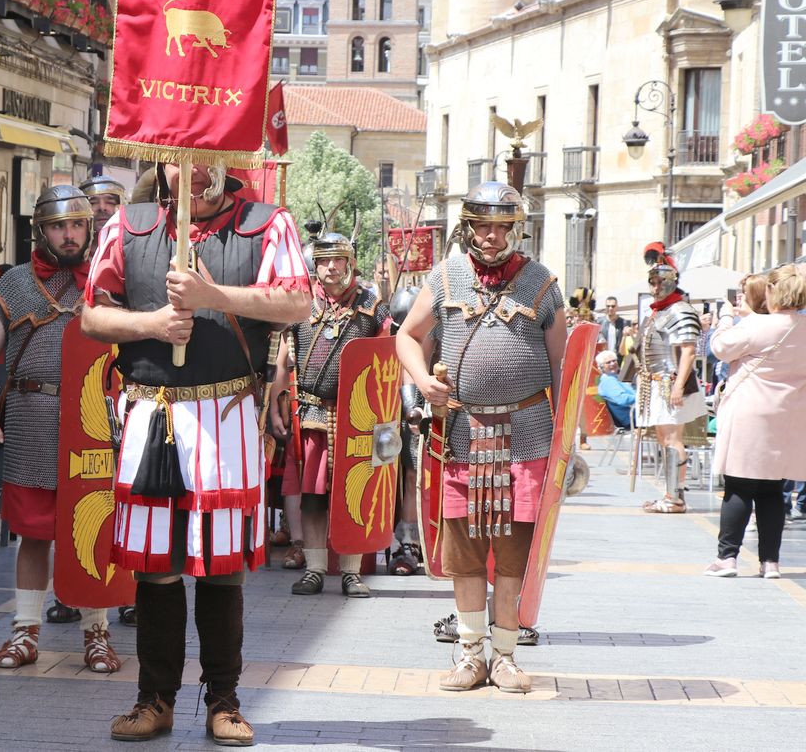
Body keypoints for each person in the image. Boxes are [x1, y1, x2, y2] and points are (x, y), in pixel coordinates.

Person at [82, 161, 310, 744]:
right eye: (182, 160)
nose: (197, 171)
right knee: (156, 566)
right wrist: (152, 323)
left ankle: (224, 701)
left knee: (223, 565)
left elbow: (297, 303)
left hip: (226, 416)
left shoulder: (267, 224)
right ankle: (154, 699)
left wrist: (214, 295)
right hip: (150, 411)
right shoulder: (127, 227)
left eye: (209, 158)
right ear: (160, 164)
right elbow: (91, 314)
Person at [397, 181, 565, 695]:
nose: (491, 238)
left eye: (502, 227)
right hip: (461, 435)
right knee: (465, 551)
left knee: (513, 551)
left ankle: (507, 656)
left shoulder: (541, 284)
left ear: (517, 229)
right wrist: (423, 381)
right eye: (482, 226)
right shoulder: (445, 277)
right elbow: (406, 335)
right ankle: (471, 653)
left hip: (526, 436)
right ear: (467, 228)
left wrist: (565, 440)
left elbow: (563, 366)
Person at [0, 186, 120, 674]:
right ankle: (25, 631)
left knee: (93, 531)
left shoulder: (107, 279)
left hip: (93, 422)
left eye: (77, 225)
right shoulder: (13, 284)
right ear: (41, 231)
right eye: (59, 226)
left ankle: (97, 634)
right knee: (33, 534)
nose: (70, 234)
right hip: (32, 416)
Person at [270, 232, 391, 598]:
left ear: (350, 262)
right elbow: (283, 356)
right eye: (324, 260)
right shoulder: (302, 305)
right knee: (313, 496)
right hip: (312, 415)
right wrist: (275, 401)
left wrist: (392, 417)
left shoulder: (372, 307)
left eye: (338, 259)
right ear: (315, 264)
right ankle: (315, 568)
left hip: (359, 419)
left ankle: (352, 571)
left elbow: (389, 360)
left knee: (352, 494)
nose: (331, 267)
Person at [704, 265, 806, 578]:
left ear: (775, 292)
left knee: (738, 486)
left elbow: (719, 348)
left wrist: (724, 319)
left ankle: (727, 558)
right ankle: (770, 562)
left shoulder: (758, 325)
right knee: (773, 489)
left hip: (750, 412)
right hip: (787, 415)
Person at [635, 243, 705, 514]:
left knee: (673, 438)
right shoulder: (659, 311)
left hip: (671, 382)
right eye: (651, 281)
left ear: (671, 281)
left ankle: (676, 497)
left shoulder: (680, 310)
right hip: (656, 382)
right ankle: (669, 493)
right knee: (665, 439)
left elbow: (688, 350)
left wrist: (677, 386)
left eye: (659, 281)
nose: (654, 286)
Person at [595, 349, 635, 426]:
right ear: (601, 367)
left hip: (635, 412)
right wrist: (642, 397)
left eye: (614, 361)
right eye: (608, 362)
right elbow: (623, 399)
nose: (612, 364)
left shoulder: (615, 378)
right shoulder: (608, 381)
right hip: (631, 418)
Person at [597, 296, 628, 362]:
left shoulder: (623, 323)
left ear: (617, 307)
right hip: (603, 360)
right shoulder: (599, 322)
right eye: (608, 306)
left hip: (618, 360)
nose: (610, 308)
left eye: (613, 306)